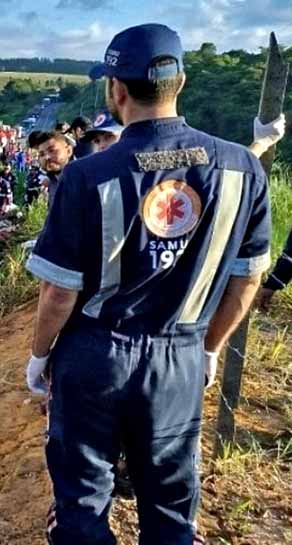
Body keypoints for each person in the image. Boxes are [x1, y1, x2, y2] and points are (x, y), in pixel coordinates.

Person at [25, 24, 273, 545]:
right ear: (179, 83)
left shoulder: (86, 176)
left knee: (83, 500)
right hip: (180, 352)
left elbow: (58, 293)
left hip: (94, 355)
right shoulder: (243, 169)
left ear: (116, 89)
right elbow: (247, 280)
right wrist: (208, 349)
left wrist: (39, 356)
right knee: (170, 504)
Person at [28, 129, 73, 206]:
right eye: (42, 154)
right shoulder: (53, 181)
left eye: (52, 150)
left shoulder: (82, 180)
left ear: (68, 151)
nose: (47, 157)